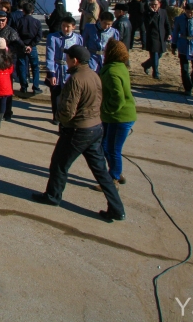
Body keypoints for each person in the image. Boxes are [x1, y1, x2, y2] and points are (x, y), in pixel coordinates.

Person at [31, 44, 126, 222]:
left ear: (75, 61)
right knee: (101, 171)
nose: (65, 61)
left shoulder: (75, 79)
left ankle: (53, 196)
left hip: (78, 130)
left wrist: (59, 116)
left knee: (59, 164)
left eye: (67, 58)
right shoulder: (94, 75)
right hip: (95, 127)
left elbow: (68, 110)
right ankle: (117, 208)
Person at [98, 39, 136, 185]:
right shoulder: (119, 67)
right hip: (114, 117)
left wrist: (105, 108)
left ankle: (113, 177)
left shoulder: (113, 72)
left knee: (113, 148)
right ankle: (116, 171)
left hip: (120, 117)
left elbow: (118, 99)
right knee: (105, 145)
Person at [45, 16, 83, 125]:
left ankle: (68, 114)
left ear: (73, 27)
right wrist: (51, 73)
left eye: (68, 26)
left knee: (70, 93)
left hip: (70, 70)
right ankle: (56, 116)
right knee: (56, 93)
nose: (65, 29)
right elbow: (50, 55)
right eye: (63, 26)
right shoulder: (53, 37)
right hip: (57, 69)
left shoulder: (78, 38)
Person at [13, 2, 43, 95]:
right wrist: (31, 45)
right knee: (35, 67)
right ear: (32, 11)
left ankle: (24, 86)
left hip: (22, 46)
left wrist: (23, 45)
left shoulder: (18, 21)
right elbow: (39, 36)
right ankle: (36, 86)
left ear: (23, 11)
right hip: (32, 46)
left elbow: (16, 35)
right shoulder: (37, 22)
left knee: (22, 65)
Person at [140, 0, 170, 79]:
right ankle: (156, 73)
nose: (154, 6)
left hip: (161, 36)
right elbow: (147, 24)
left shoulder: (163, 12)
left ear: (159, 4)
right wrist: (152, 14)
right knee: (154, 54)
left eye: (155, 5)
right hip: (152, 36)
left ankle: (146, 64)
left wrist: (169, 33)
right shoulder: (147, 13)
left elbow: (166, 23)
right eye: (152, 5)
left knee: (160, 54)